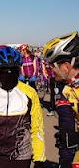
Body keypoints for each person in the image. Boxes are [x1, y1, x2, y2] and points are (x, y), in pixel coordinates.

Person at [43, 31, 79, 168]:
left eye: (53, 66)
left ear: (66, 66)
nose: (51, 70)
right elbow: (67, 126)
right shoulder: (66, 88)